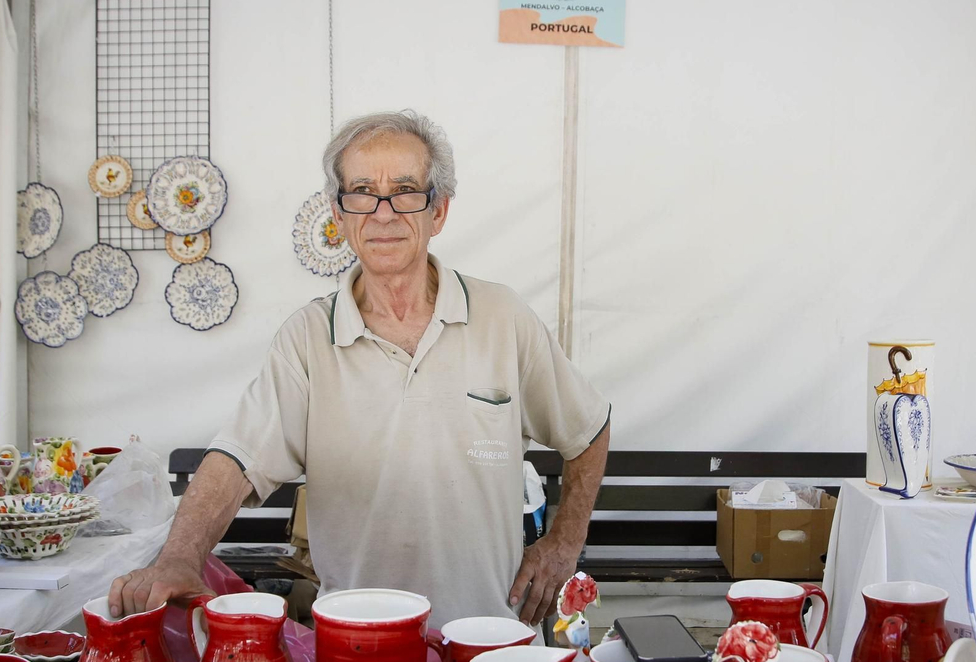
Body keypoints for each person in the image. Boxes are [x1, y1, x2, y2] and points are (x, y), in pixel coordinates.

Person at [108, 111, 611, 626]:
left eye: (406, 190)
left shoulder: (503, 318)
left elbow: (587, 428)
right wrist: (179, 557)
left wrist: (563, 543)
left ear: (438, 211)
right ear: (340, 213)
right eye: (363, 192)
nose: (383, 212)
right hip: (355, 649)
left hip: (486, 642)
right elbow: (238, 459)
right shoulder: (307, 338)